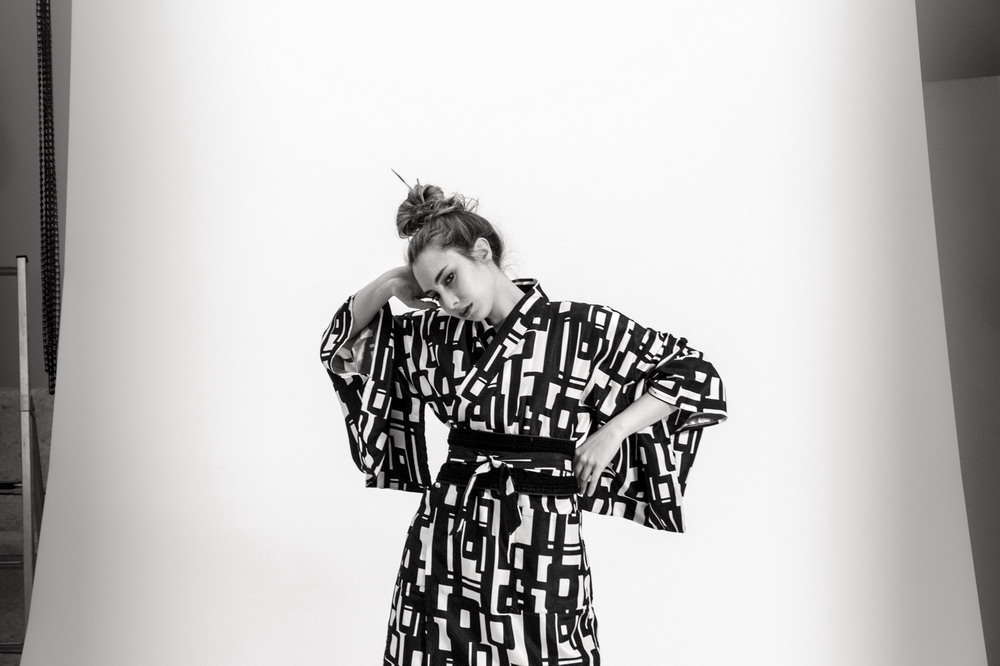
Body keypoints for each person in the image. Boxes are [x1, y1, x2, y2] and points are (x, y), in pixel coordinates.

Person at [319, 179, 728, 665]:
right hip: (449, 531)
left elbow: (695, 375)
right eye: (433, 292)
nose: (448, 302)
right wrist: (390, 284)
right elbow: (340, 349)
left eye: (450, 278)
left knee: (552, 650)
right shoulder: (435, 336)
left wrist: (613, 432)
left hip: (542, 535)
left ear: (482, 252)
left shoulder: (579, 329)